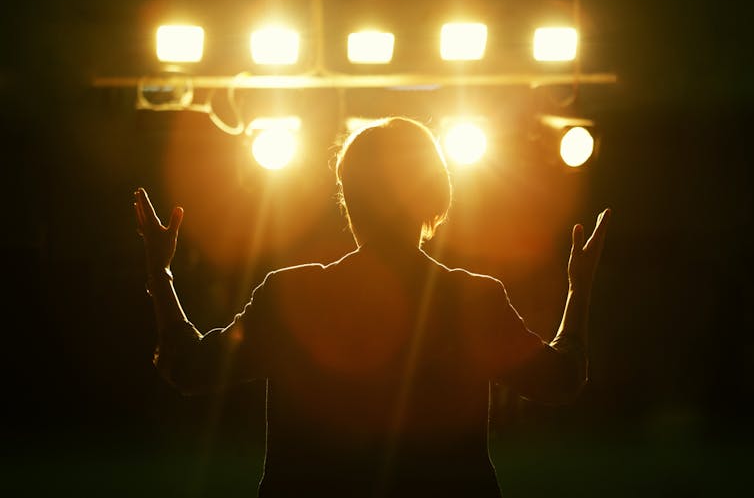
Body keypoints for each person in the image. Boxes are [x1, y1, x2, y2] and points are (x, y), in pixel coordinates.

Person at [134, 116, 610, 498]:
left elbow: (190, 369)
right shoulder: (471, 298)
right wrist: (579, 289)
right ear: (435, 199)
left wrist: (161, 272)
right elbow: (561, 380)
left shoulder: (292, 294)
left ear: (349, 200)